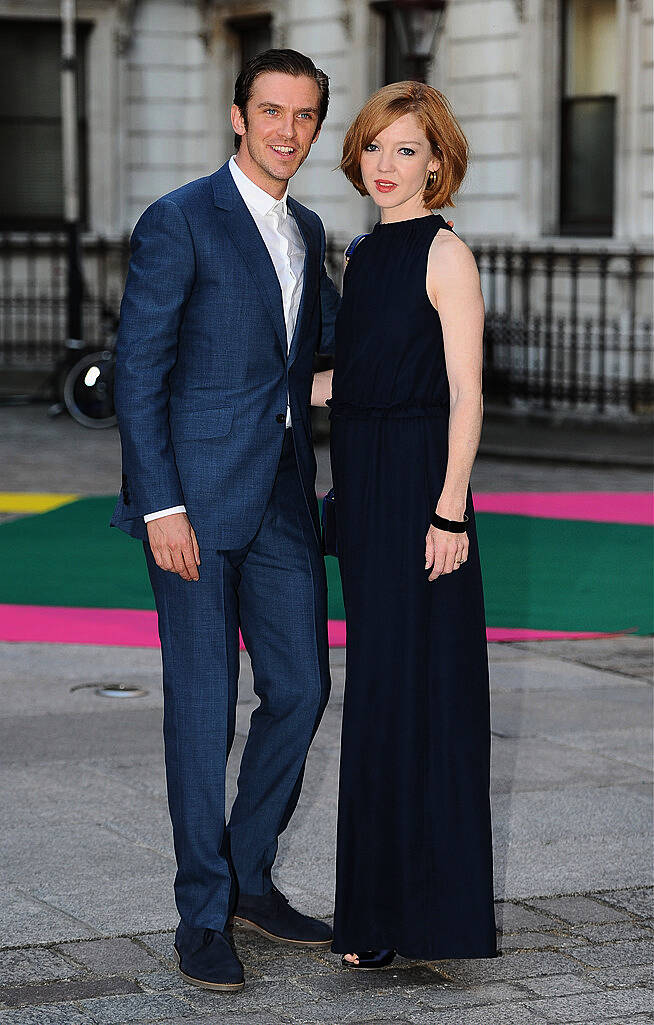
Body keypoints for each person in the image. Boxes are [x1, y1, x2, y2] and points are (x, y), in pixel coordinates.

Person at [111, 49, 341, 992]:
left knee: (301, 690)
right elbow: (140, 372)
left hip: (284, 496)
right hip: (194, 506)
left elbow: (311, 367)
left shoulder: (310, 228)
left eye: (306, 116)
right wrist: (160, 503)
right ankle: (202, 913)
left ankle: (250, 876)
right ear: (238, 115)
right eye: (272, 111)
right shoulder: (180, 220)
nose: (289, 131)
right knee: (204, 717)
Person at [312, 81, 497, 968]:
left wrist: (450, 507)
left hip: (424, 491)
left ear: (438, 160)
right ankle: (380, 914)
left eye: (407, 150)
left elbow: (468, 390)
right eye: (375, 147)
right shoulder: (360, 251)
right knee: (380, 694)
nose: (386, 166)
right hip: (367, 488)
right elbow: (355, 378)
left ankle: (416, 917)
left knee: (423, 694)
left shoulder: (446, 253)